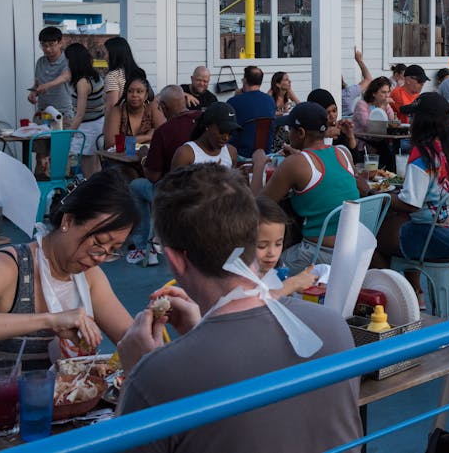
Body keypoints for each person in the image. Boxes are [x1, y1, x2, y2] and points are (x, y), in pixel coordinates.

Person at [113, 164, 361, 453]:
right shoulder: (332, 327)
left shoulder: (157, 377)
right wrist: (199, 331)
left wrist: (136, 374)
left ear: (175, 259)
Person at [0, 170, 137, 397]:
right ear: (68, 220)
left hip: (44, 409)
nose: (101, 257)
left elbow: (132, 341)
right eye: (99, 242)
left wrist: (150, 328)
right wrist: (49, 320)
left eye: (113, 251)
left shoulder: (90, 277)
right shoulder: (9, 268)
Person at [375, 93, 449, 302]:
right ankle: (416, 293)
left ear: (422, 121)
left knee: (372, 238)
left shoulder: (424, 152)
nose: (410, 122)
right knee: (401, 224)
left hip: (436, 238)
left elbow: (410, 203)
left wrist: (380, 195)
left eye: (413, 117)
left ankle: (401, 302)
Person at [252, 103, 361, 274]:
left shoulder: (295, 164)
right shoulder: (343, 153)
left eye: (290, 129)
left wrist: (258, 165)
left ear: (301, 133)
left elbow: (258, 206)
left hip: (318, 254)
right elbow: (331, 181)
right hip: (352, 250)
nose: (289, 133)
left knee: (257, 265)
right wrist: (298, 156)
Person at [125, 86, 198, 267]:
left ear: (164, 107)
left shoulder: (164, 132)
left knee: (135, 186)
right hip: (204, 187)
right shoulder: (202, 120)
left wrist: (143, 158)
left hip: (173, 193)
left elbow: (153, 176)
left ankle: (143, 247)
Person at [254, 196, 319, 297]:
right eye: (262, 246)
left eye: (278, 244)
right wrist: (293, 284)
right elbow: (254, 302)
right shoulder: (238, 275)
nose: (272, 252)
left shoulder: (278, 267)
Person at [64, 42, 105, 177]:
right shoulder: (95, 76)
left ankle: (92, 196)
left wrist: (67, 135)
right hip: (99, 123)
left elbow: (80, 115)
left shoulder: (82, 82)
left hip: (89, 128)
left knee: (88, 172)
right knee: (97, 168)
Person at [169, 103, 240, 170]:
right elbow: (174, 182)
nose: (226, 137)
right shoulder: (186, 154)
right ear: (207, 125)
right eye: (222, 131)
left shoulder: (231, 152)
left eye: (230, 132)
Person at [226, 65, 277, 158]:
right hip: (265, 154)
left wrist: (236, 97)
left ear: (244, 80)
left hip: (240, 154)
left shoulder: (233, 102)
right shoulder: (270, 101)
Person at [103, 73, 165, 148]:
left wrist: (127, 141)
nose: (134, 95)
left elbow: (163, 136)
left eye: (139, 91)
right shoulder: (117, 111)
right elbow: (111, 143)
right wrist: (146, 137)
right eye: (130, 91)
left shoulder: (152, 108)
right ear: (126, 94)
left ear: (146, 95)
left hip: (147, 157)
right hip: (121, 158)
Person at [28, 26, 73, 118]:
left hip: (62, 113)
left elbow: (64, 77)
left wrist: (47, 85)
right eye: (44, 45)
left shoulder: (68, 60)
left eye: (51, 44)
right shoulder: (40, 62)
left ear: (60, 43)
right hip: (43, 112)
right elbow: (37, 84)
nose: (47, 49)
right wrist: (33, 93)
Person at [102, 36, 142, 128]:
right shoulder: (138, 73)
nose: (104, 57)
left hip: (121, 126)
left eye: (106, 53)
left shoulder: (113, 76)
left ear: (114, 54)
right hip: (140, 123)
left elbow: (112, 106)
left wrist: (106, 130)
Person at [341, 47, 373, 117]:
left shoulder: (324, 95)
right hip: (348, 123)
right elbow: (368, 79)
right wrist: (359, 60)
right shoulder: (347, 93)